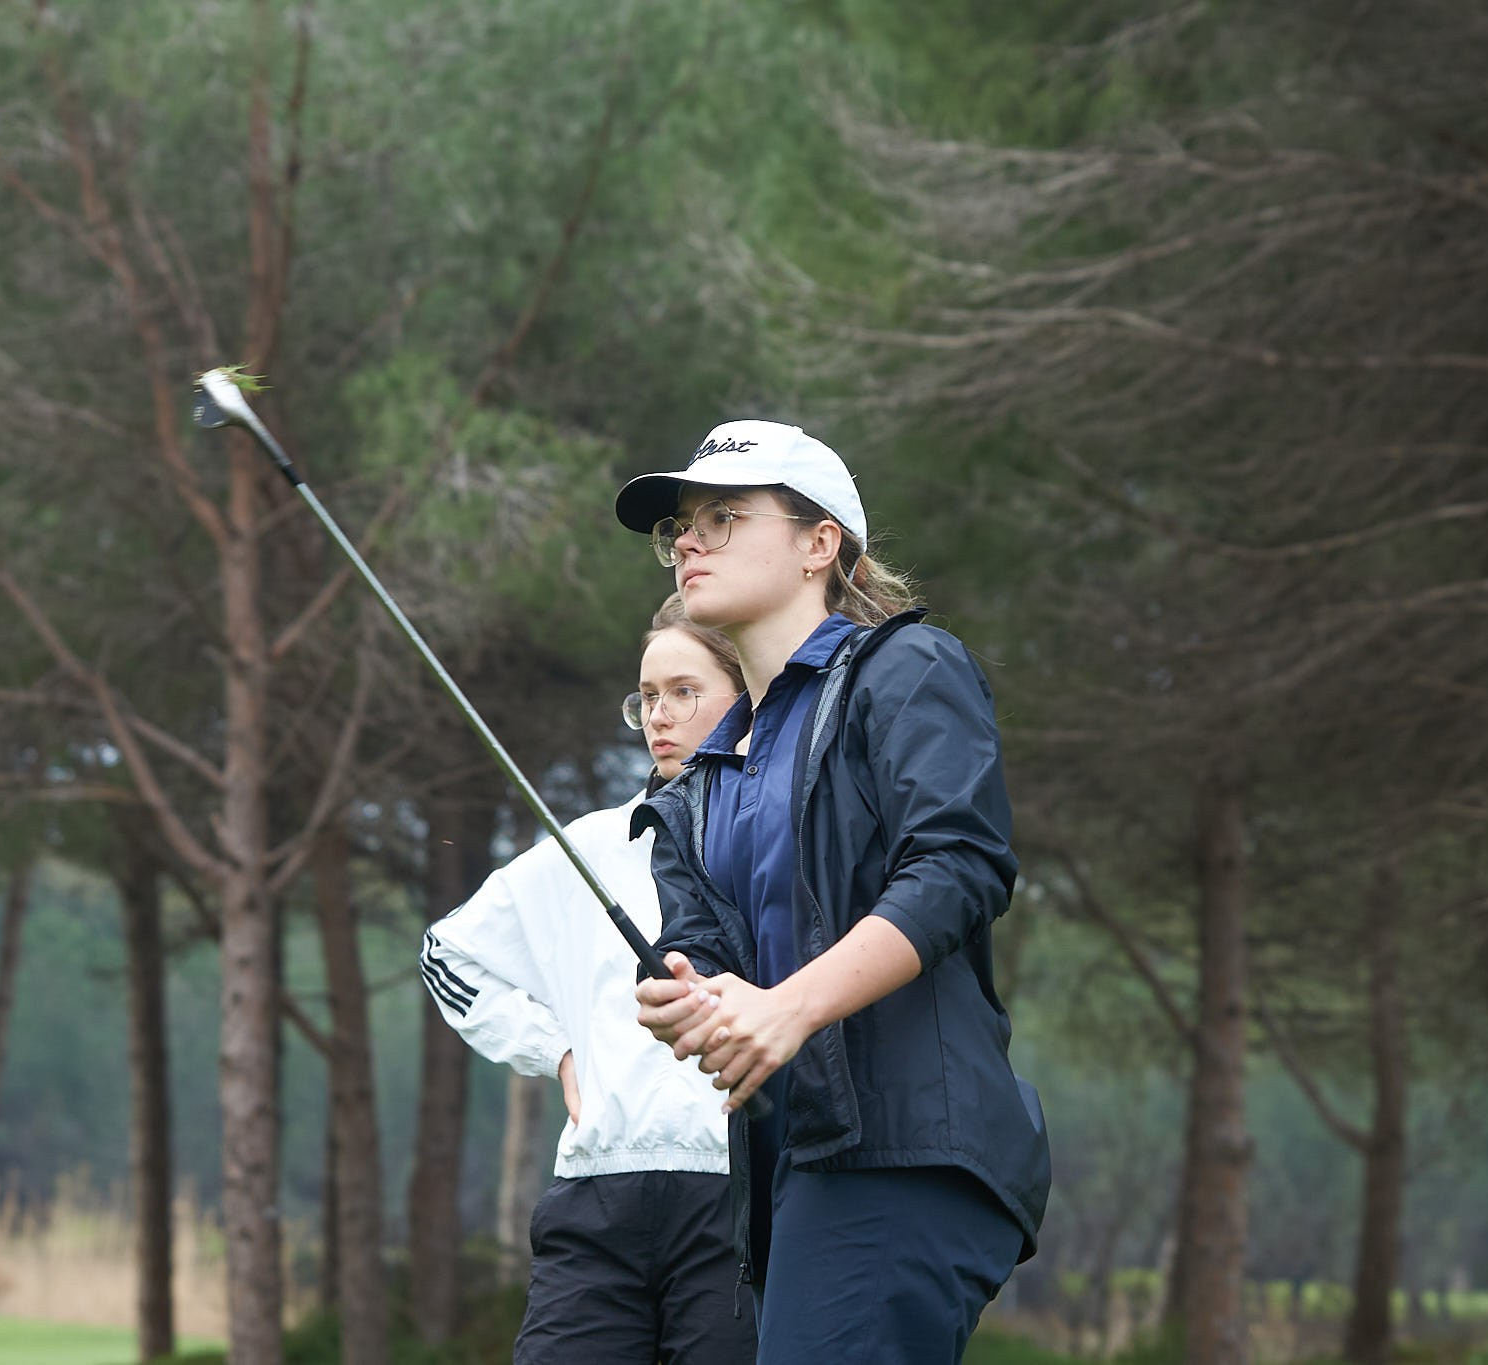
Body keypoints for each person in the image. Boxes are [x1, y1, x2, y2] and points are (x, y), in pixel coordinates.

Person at [615, 420, 1052, 1364]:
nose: (688, 540)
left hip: (911, 1148)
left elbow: (958, 868)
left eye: (724, 517)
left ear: (822, 546)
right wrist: (689, 999)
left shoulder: (905, 668)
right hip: (793, 1172)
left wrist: (785, 1007)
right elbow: (717, 969)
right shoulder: (692, 790)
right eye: (681, 526)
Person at [418, 594, 758, 1364]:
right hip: (598, 1205)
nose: (660, 714)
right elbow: (447, 954)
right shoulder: (588, 847)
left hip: (739, 1202)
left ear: (748, 696)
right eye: (647, 697)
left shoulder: (787, 842)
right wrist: (557, 1049)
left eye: (684, 691)